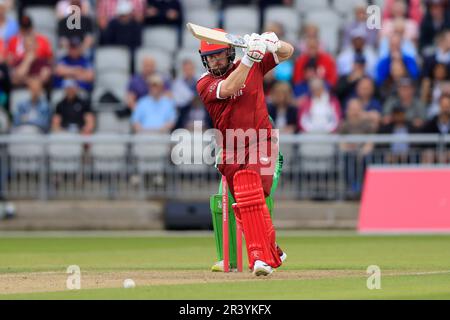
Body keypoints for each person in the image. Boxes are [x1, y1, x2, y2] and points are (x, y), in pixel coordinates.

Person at [196, 29, 294, 276]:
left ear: (230, 52)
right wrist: (251, 58)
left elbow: (289, 52)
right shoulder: (204, 83)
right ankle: (272, 250)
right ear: (204, 60)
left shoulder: (253, 63)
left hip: (262, 139)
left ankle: (259, 259)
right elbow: (230, 87)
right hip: (230, 148)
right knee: (243, 203)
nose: (216, 61)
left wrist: (273, 43)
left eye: (220, 55)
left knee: (251, 190)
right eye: (211, 58)